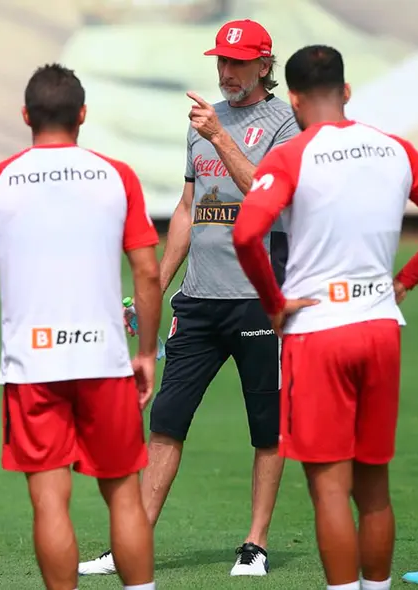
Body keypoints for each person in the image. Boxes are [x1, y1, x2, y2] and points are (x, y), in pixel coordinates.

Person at [232, 45, 418, 590]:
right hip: (380, 326)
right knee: (375, 488)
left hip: (318, 331)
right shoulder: (394, 149)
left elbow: (247, 232)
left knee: (328, 489)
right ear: (346, 91)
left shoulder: (292, 156)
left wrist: (272, 302)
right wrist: (406, 280)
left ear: (291, 99)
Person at [79, 19, 299, 578]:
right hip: (198, 300)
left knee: (265, 427)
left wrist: (220, 138)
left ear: (264, 65)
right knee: (166, 422)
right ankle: (132, 543)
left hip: (259, 297)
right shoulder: (204, 120)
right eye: (221, 61)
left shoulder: (285, 123)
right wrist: (152, 283)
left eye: (239, 62)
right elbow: (188, 209)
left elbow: (264, 193)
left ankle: (255, 544)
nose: (226, 72)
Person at [0, 63, 161, 590]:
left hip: (33, 363)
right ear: (83, 115)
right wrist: (143, 353)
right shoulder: (118, 175)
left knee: (49, 499)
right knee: (124, 494)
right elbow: (147, 270)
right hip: (104, 360)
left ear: (26, 115)